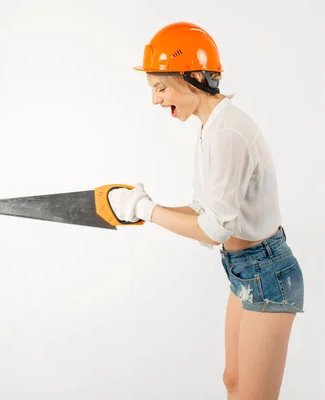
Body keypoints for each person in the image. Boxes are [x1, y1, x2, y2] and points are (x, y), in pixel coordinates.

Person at [108, 22, 305, 400]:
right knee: (233, 380)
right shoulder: (212, 126)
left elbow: (213, 228)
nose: (154, 100)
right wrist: (147, 208)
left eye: (160, 87)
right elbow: (205, 209)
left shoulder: (226, 132)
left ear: (194, 77)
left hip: (267, 272)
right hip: (244, 268)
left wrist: (148, 211)